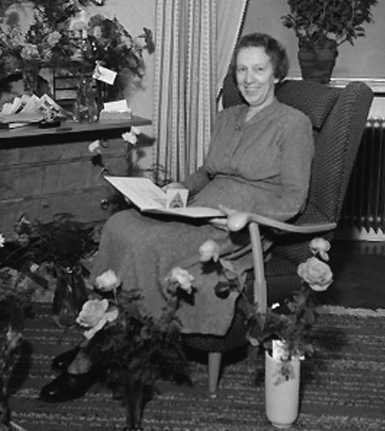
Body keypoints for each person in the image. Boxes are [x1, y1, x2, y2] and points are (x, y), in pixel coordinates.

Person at [40, 32, 315, 402]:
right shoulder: (227, 117)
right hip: (198, 211)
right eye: (241, 70)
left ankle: (93, 355)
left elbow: (294, 198)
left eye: (259, 70)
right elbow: (207, 172)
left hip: (237, 230)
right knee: (120, 224)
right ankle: (102, 328)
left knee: (147, 241)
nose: (248, 79)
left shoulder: (293, 123)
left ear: (277, 74)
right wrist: (180, 187)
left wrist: (245, 215)